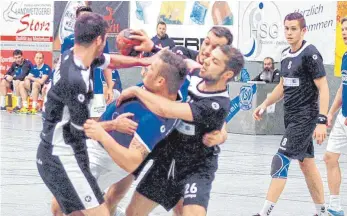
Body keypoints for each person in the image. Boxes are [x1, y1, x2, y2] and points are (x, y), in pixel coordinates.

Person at [36, 13, 154, 216]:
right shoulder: (75, 81)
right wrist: (114, 125)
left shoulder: (75, 54)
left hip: (60, 152)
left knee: (65, 210)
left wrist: (145, 62)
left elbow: (111, 61)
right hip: (61, 156)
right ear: (99, 40)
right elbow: (85, 129)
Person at [117, 45, 244, 216]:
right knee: (132, 213)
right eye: (209, 56)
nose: (206, 61)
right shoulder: (193, 74)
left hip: (196, 167)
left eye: (214, 61)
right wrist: (151, 47)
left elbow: (166, 109)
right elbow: (174, 61)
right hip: (168, 158)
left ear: (227, 74)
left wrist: (135, 90)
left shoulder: (217, 104)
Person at [252, 12, 329, 216]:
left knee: (281, 158)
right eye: (286, 28)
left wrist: (322, 120)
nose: (289, 32)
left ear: (303, 30)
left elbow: (324, 87)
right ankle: (322, 212)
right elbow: (282, 86)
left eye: (294, 29)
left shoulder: (310, 54)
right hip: (291, 117)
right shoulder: (285, 55)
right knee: (307, 165)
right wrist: (264, 103)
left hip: (306, 117)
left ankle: (264, 213)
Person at [61, 5, 115, 118]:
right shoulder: (68, 41)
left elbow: (107, 64)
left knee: (97, 125)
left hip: (96, 89)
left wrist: (110, 87)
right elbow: (62, 66)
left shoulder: (100, 40)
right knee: (76, 126)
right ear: (76, 21)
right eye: (82, 18)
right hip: (74, 91)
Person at [323, 16, 347, 216]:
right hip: (343, 118)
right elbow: (342, 87)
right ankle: (335, 206)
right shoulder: (346, 56)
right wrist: (331, 113)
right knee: (330, 157)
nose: (345, 33)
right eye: (343, 30)